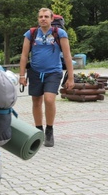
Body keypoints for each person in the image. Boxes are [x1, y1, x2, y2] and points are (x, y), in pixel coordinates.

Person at [18, 8, 75, 147]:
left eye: (46, 16)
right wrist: (21, 75)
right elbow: (24, 55)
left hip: (53, 72)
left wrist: (71, 78)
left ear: (51, 19)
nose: (43, 19)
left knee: (49, 100)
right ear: (38, 19)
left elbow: (67, 56)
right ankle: (38, 131)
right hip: (35, 72)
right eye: (40, 17)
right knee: (36, 101)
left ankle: (49, 130)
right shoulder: (31, 34)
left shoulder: (59, 33)